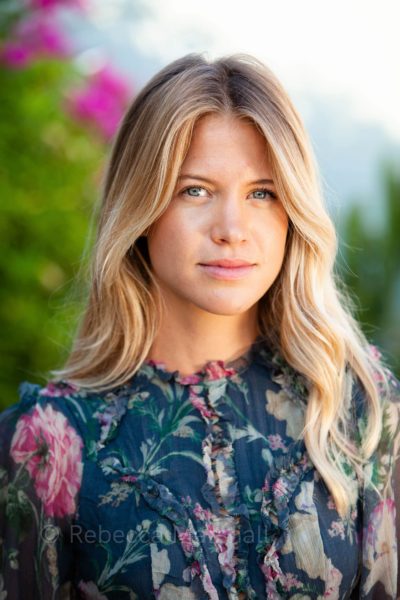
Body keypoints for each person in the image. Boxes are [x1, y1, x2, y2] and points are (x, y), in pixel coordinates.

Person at [0, 52, 399, 600]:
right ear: (140, 209)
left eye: (263, 192)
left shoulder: (359, 408)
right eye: (195, 190)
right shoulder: (48, 443)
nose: (232, 228)